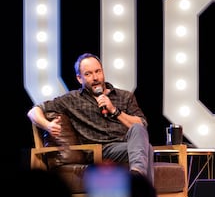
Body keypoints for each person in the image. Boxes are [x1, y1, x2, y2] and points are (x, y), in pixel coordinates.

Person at [27, 52, 154, 183]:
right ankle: (143, 194)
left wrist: (114, 110)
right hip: (99, 151)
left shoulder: (125, 96)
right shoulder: (72, 99)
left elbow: (142, 125)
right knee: (146, 149)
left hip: (125, 146)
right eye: (88, 74)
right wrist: (47, 126)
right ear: (79, 78)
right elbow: (33, 111)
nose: (95, 78)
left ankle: (137, 177)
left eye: (98, 71)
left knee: (139, 131)